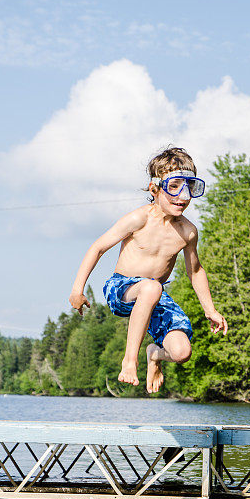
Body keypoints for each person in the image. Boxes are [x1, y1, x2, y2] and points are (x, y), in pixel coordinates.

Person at [69, 147, 227, 393]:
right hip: (122, 288)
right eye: (174, 186)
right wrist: (77, 290)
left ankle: (154, 355)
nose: (183, 196)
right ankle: (129, 360)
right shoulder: (138, 219)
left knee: (182, 351)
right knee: (151, 287)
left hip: (155, 296)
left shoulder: (188, 232)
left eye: (190, 188)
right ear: (155, 189)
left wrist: (211, 310)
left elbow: (195, 271)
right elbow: (98, 247)